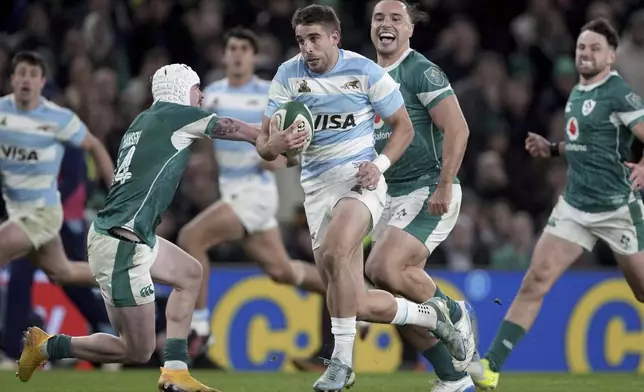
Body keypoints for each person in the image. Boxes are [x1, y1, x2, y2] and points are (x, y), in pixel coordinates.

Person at [256, 5, 466, 391]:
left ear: (335, 37)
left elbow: (403, 128)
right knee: (356, 301)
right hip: (316, 191)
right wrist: (276, 144)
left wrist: (380, 165)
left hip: (360, 183)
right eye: (301, 40)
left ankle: (341, 364)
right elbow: (264, 145)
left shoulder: (365, 72)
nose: (307, 48)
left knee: (338, 251)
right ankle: (429, 317)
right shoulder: (287, 75)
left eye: (315, 38)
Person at [17, 63, 260, 392]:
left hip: (131, 237)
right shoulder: (175, 114)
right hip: (122, 245)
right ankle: (46, 346)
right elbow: (230, 126)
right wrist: (267, 136)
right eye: (196, 87)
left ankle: (175, 371)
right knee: (136, 349)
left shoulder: (144, 119)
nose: (201, 94)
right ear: (179, 90)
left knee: (189, 273)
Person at [470, 18, 644, 390]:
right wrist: (551, 149)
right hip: (575, 206)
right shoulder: (579, 93)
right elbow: (588, 145)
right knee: (536, 279)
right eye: (582, 46)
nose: (586, 53)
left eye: (595, 48)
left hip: (617, 208)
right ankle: (491, 367)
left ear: (611, 56)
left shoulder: (618, 93)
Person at [177, 27, 325, 340]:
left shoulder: (269, 94)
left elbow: (294, 135)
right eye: (232, 48)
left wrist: (276, 152)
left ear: (254, 57)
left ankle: (200, 326)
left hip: (256, 191)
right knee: (282, 271)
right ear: (224, 55)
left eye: (245, 48)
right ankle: (352, 294)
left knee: (192, 238)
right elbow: (207, 145)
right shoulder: (213, 93)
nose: (238, 54)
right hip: (231, 191)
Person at [367, 1, 476, 391]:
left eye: (396, 18)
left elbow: (458, 129)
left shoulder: (420, 71)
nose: (386, 24)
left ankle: (451, 310)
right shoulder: (365, 76)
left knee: (382, 268)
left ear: (410, 29)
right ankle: (455, 379)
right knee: (392, 298)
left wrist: (445, 183)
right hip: (389, 195)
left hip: (429, 188)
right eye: (379, 17)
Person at [0, 51, 114, 285]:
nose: (26, 80)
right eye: (21, 73)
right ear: (12, 79)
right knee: (61, 272)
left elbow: (94, 145)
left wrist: (116, 191)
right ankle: (124, 279)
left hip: (42, 213)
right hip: (15, 210)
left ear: (41, 82)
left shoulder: (59, 118)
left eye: (33, 75)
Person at [1, 144, 114, 368]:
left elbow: (75, 179)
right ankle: (13, 348)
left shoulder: (62, 132)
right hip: (32, 219)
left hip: (61, 220)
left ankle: (107, 328)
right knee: (24, 277)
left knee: (66, 278)